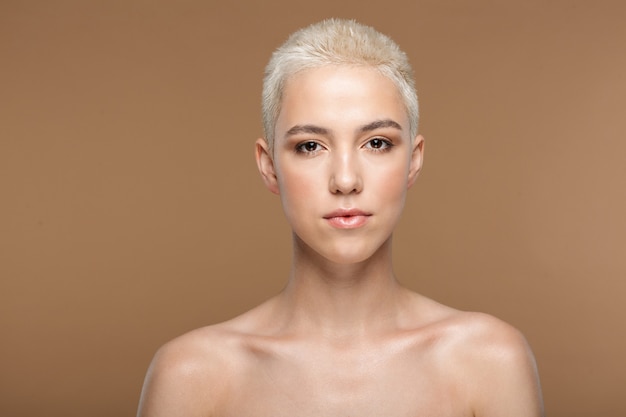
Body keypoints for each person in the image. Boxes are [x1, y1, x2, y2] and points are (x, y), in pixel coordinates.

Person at [137, 18, 544, 417]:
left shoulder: (488, 363)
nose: (346, 180)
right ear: (269, 166)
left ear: (413, 161)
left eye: (377, 143)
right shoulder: (192, 376)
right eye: (311, 146)